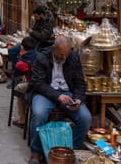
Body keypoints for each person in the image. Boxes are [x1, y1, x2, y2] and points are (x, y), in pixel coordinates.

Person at [28, 35, 92, 164]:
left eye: (66, 55)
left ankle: (72, 150)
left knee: (85, 118)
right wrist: (58, 96)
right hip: (45, 93)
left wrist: (78, 99)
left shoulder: (73, 57)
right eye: (61, 54)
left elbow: (80, 83)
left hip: (67, 93)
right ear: (54, 48)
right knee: (39, 114)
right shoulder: (42, 57)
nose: (64, 58)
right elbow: (38, 83)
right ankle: (36, 152)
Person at [11, 36, 37, 128]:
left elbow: (16, 74)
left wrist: (20, 56)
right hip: (42, 83)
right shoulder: (38, 55)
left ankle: (22, 118)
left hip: (34, 85)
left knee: (19, 89)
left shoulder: (22, 63)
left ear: (22, 47)